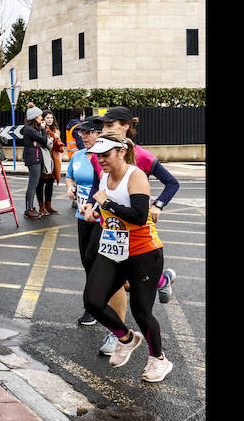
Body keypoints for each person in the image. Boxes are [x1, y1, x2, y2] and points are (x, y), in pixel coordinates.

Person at [80, 132, 172, 383]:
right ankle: (126, 338)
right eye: (98, 156)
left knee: (141, 310)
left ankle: (159, 360)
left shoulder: (136, 176)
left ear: (121, 152)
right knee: (93, 301)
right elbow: (104, 208)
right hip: (113, 248)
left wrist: (106, 204)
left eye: (106, 155)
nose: (101, 160)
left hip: (144, 251)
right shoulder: (105, 175)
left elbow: (140, 216)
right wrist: (93, 211)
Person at [88, 106, 180, 356]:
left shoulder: (141, 159)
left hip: (139, 236)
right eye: (103, 127)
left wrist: (158, 204)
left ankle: (160, 280)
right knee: (94, 281)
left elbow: (172, 183)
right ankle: (119, 333)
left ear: (125, 127)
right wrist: (92, 205)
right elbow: (98, 188)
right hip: (111, 230)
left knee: (140, 302)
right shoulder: (101, 155)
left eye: (109, 126)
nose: (103, 131)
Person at [64, 115, 103, 326]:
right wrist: (70, 187)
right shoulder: (78, 156)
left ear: (99, 134)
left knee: (95, 262)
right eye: (81, 132)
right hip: (82, 216)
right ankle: (95, 304)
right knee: (87, 262)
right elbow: (69, 176)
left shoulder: (106, 157)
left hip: (101, 219)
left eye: (88, 132)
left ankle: (94, 307)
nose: (83, 136)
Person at [21, 104, 49, 219]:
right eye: (40, 116)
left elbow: (41, 141)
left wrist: (38, 142)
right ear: (35, 117)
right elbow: (44, 140)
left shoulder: (31, 129)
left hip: (35, 157)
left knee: (34, 183)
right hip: (34, 158)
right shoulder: (30, 129)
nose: (41, 117)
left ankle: (31, 207)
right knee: (32, 185)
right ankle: (28, 209)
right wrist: (43, 130)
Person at [38, 109, 64, 216]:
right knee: (40, 183)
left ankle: (48, 205)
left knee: (50, 183)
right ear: (43, 119)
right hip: (43, 159)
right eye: (47, 118)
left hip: (53, 159)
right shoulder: (41, 129)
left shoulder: (55, 131)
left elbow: (58, 145)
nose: (50, 120)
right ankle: (41, 207)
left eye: (51, 118)